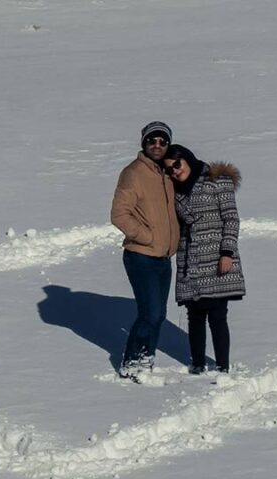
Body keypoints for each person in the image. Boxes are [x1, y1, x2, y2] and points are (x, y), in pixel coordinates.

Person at [162, 144, 246, 374]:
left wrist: (227, 253)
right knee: (195, 314)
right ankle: (197, 364)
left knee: (217, 314)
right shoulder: (175, 191)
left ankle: (222, 367)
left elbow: (231, 219)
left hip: (217, 257)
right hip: (190, 259)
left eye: (177, 165)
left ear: (187, 159)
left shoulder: (217, 181)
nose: (175, 172)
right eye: (169, 170)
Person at [110, 121, 178, 382]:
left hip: (163, 257)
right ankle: (131, 363)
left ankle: (146, 360)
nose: (157, 145)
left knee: (158, 315)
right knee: (150, 313)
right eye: (152, 141)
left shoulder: (167, 173)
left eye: (162, 141)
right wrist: (148, 237)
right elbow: (118, 214)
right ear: (144, 144)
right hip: (141, 256)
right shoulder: (133, 173)